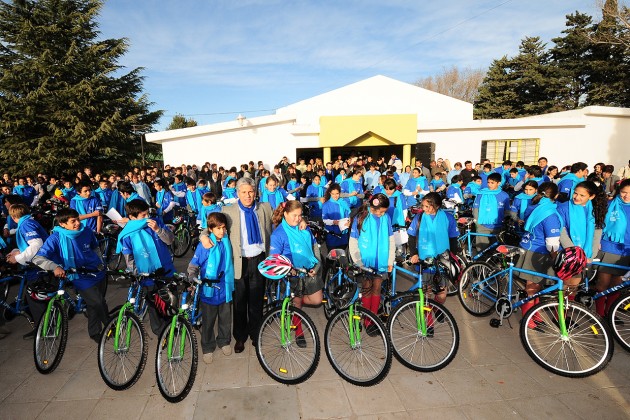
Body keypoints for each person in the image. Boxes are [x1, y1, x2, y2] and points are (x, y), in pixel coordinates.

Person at [202, 177, 273, 353]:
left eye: (251, 192)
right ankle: (240, 337)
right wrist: (203, 236)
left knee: (256, 302)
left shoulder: (264, 208)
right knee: (240, 303)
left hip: (260, 261)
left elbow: (281, 220)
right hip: (239, 263)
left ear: (256, 192)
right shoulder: (228, 211)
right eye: (244, 192)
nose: (248, 195)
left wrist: (301, 222)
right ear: (237, 193)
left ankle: (256, 334)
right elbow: (209, 226)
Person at [33, 208, 108, 343]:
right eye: (73, 221)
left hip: (97, 271)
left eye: (78, 219)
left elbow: (95, 247)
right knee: (98, 301)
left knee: (94, 304)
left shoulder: (86, 231)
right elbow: (38, 258)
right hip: (79, 275)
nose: (77, 223)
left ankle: (95, 332)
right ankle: (111, 325)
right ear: (62, 224)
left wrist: (101, 262)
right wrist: (54, 266)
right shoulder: (56, 237)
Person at [117, 199, 175, 335]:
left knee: (169, 302)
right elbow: (129, 259)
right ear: (132, 217)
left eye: (147, 213)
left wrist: (158, 230)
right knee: (154, 306)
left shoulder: (156, 223)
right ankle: (161, 333)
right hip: (147, 276)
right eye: (143, 216)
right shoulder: (127, 234)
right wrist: (139, 273)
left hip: (166, 270)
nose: (147, 218)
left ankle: (172, 328)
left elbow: (170, 239)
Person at [269, 201, 323, 347]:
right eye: (294, 215)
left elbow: (314, 248)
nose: (297, 219)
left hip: (309, 270)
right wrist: (288, 269)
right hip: (292, 273)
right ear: (285, 214)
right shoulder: (278, 234)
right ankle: (299, 332)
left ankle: (294, 303)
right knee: (297, 302)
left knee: (317, 300)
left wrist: (317, 267)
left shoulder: (304, 227)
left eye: (300, 216)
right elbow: (274, 258)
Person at [187, 212, 234, 363]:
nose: (221, 231)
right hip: (209, 290)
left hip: (225, 288)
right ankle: (207, 347)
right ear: (211, 229)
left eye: (223, 227)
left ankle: (224, 341)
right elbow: (193, 266)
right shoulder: (205, 245)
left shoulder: (226, 240)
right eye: (218, 228)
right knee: (208, 321)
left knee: (225, 319)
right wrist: (191, 281)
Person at [516, 182, 563, 327]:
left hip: (528, 246)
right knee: (533, 286)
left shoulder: (534, 206)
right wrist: (556, 258)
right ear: (555, 196)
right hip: (539, 252)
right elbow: (552, 242)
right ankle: (527, 317)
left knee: (536, 285)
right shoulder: (549, 213)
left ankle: (534, 312)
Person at [348, 193, 394, 335]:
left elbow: (390, 239)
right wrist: (358, 261)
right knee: (367, 288)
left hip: (381, 261)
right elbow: (353, 241)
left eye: (384, 212)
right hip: (365, 262)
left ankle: (372, 319)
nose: (381, 214)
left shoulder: (386, 218)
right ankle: (365, 318)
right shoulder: (361, 218)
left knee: (377, 288)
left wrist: (390, 260)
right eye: (380, 211)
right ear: (373, 207)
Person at [407, 192, 459, 306]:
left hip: (442, 261)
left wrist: (452, 258)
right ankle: (429, 321)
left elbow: (453, 239)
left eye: (427, 206)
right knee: (426, 293)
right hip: (424, 259)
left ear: (437, 206)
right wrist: (413, 253)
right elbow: (411, 237)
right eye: (423, 206)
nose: (424, 209)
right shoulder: (419, 217)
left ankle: (438, 309)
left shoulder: (448, 217)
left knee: (442, 294)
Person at [5, 203, 49, 339]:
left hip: (38, 266)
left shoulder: (26, 225)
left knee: (35, 299)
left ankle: (43, 330)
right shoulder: (28, 222)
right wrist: (16, 252)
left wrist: (17, 258)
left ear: (13, 217)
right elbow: (28, 245)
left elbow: (36, 245)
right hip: (38, 264)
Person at [593, 179, 630, 317]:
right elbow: (598, 224)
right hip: (609, 247)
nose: (626, 196)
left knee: (617, 285)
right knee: (603, 284)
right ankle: (599, 314)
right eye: (623, 192)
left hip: (626, 250)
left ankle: (610, 313)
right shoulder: (609, 205)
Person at [473, 172, 510, 252]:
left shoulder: (504, 195)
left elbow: (507, 211)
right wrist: (477, 223)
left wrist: (504, 221)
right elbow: (476, 209)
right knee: (482, 250)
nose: (489, 185)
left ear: (499, 183)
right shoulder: (481, 193)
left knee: (495, 250)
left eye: (492, 183)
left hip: (497, 226)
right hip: (482, 225)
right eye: (488, 182)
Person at [322, 183, 351, 252]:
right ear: (330, 193)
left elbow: (348, 216)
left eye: (337, 193)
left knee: (342, 255)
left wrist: (349, 222)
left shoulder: (343, 202)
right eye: (333, 194)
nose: (335, 196)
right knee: (332, 255)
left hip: (343, 234)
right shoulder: (326, 205)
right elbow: (324, 220)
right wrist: (333, 222)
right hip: (332, 234)